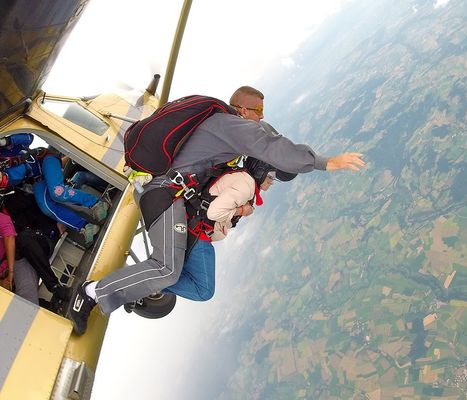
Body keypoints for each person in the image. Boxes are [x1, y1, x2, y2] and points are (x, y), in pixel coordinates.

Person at [70, 85, 365, 335]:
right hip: (164, 194)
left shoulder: (218, 131)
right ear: (243, 109)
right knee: (168, 269)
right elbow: (269, 144)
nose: (261, 117)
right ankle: (91, 294)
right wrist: (323, 162)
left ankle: (137, 283)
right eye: (258, 110)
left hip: (179, 198)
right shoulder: (228, 124)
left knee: (201, 288)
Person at [162, 157, 277, 301]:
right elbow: (213, 212)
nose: (272, 181)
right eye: (271, 176)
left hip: (191, 226)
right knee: (203, 291)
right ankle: (152, 284)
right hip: (197, 232)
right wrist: (241, 210)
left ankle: (150, 284)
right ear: (260, 172)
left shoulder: (242, 177)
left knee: (180, 275)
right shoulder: (246, 186)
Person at [0, 133, 108, 244]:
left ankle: (96, 204)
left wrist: (5, 140)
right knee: (46, 207)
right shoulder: (5, 179)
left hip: (44, 159)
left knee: (57, 193)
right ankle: (85, 227)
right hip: (37, 179)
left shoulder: (4, 148)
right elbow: (16, 181)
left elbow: (28, 137)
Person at [3, 188, 69, 302]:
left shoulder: (14, 197)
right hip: (18, 257)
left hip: (42, 239)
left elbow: (46, 202)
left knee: (23, 238)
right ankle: (45, 305)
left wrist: (59, 218)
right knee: (26, 297)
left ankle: (54, 286)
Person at [0, 208, 40, 305]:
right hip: (2, 278)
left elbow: (9, 234)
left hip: (15, 259)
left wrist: (11, 271)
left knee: (27, 298)